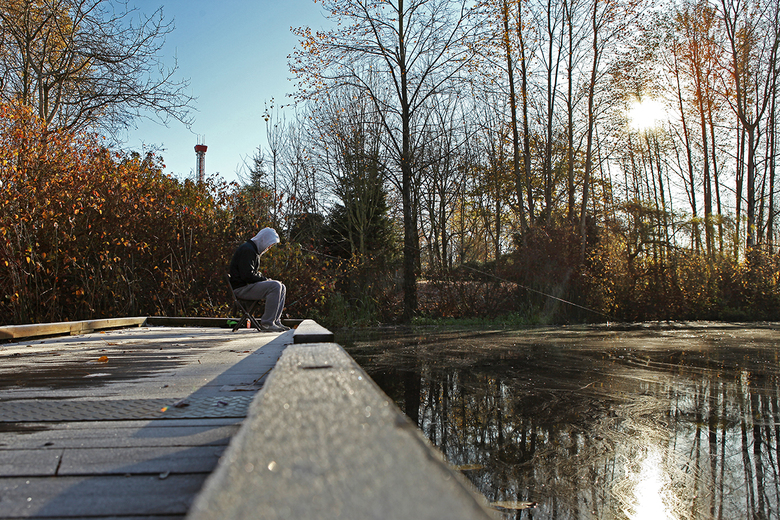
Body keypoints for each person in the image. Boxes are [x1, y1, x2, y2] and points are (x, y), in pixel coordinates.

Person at [228, 227, 289, 332]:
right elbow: (247, 275)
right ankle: (267, 323)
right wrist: (265, 280)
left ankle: (275, 321)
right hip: (241, 288)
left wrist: (264, 279)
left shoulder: (252, 250)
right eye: (269, 244)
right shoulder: (248, 250)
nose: (268, 248)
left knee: (281, 286)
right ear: (263, 240)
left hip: (246, 286)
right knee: (275, 286)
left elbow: (251, 274)